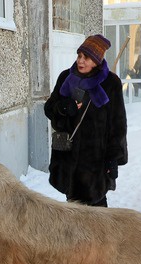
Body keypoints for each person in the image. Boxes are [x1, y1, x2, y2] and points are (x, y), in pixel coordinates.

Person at [44, 34, 128, 207]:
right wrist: (65, 107)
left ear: (97, 60)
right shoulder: (66, 78)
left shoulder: (111, 83)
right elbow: (49, 109)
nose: (80, 61)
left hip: (96, 160)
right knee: (73, 211)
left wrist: (113, 159)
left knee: (98, 213)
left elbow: (118, 125)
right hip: (69, 157)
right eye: (79, 56)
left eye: (86, 57)